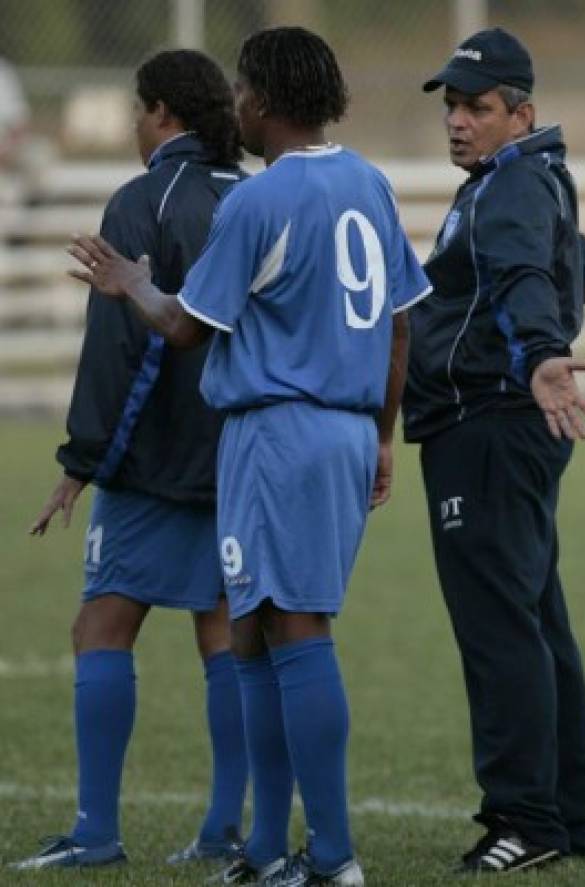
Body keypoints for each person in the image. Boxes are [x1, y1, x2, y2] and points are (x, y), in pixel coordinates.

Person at [62, 26, 430, 887]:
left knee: (295, 629)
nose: (236, 107)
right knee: (257, 636)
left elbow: (188, 325)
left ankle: (332, 856)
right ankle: (267, 847)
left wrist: (131, 284)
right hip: (341, 427)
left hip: (279, 432)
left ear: (262, 101)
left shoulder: (260, 203)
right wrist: (379, 432)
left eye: (242, 93)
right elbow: (401, 321)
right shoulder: (368, 181)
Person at [10, 49, 248, 872]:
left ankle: (95, 831)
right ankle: (223, 830)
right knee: (224, 637)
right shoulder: (253, 197)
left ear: (161, 116)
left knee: (101, 625)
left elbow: (121, 349)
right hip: (243, 456)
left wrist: (82, 460)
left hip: (156, 458)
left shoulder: (144, 200)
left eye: (135, 110)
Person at [407, 26, 585, 874]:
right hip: (499, 425)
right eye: (451, 104)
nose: (457, 121)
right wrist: (581, 255)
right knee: (533, 619)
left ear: (519, 111)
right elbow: (523, 259)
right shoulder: (521, 176)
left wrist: (540, 352)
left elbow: (522, 273)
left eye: (477, 107)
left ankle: (524, 818)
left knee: (500, 630)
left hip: (489, 422)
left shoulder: (511, 185)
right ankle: (563, 811)